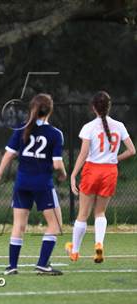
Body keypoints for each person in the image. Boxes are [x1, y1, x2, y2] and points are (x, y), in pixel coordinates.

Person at [0, 93, 67, 276]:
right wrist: (63, 174)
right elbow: (57, 164)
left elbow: (9, 155)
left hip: (22, 183)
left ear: (32, 109)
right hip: (42, 184)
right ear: (49, 110)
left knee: (18, 225)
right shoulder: (55, 134)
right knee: (55, 225)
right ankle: (42, 264)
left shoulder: (21, 129)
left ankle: (12, 266)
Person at [66, 91, 135, 263]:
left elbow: (83, 154)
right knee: (100, 212)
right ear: (109, 107)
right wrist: (114, 159)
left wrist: (73, 174)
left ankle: (74, 252)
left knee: (83, 214)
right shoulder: (119, 125)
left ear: (93, 108)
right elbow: (132, 151)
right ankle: (99, 244)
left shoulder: (89, 127)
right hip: (110, 172)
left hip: (91, 171)